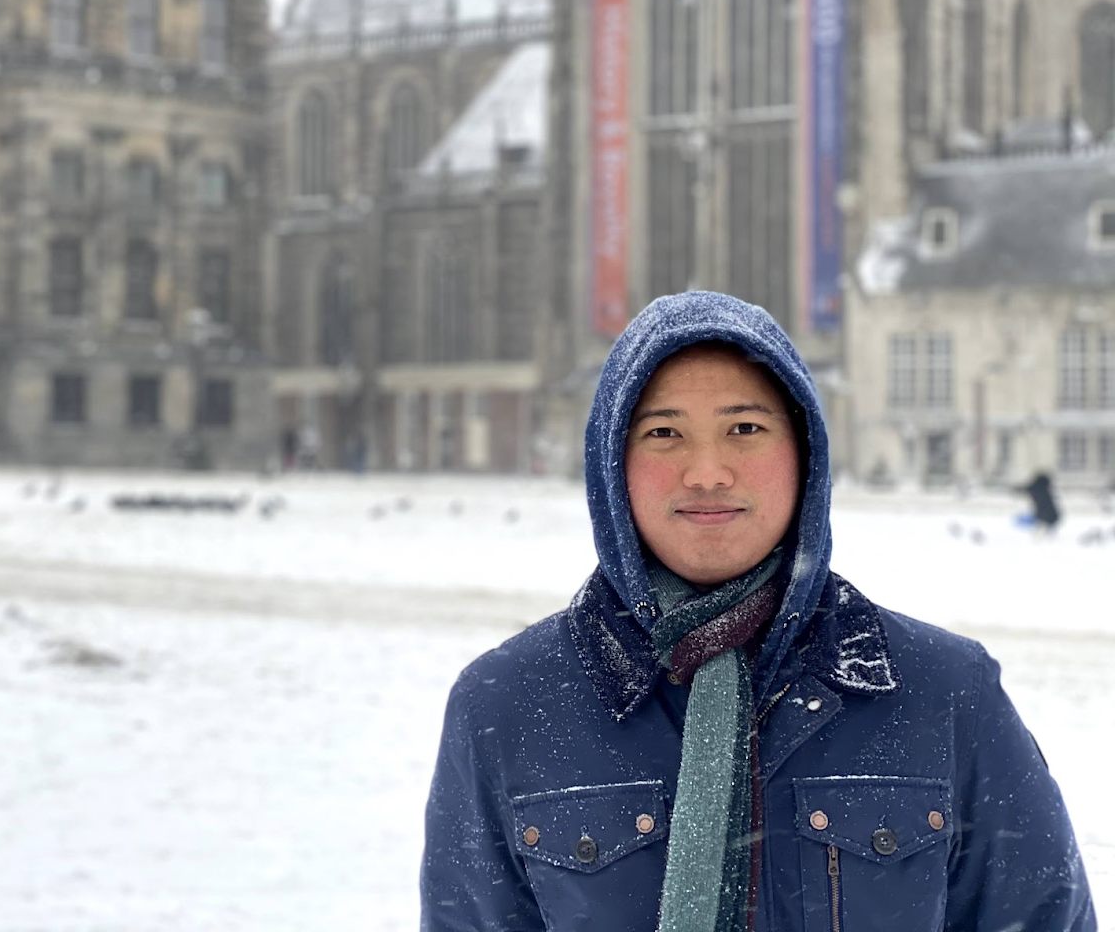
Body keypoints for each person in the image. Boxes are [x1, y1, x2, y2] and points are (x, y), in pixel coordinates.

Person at [420, 292, 1094, 932]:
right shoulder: (506, 706)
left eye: (745, 428)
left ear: (804, 453)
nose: (707, 471)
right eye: (663, 432)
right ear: (611, 463)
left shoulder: (943, 692)